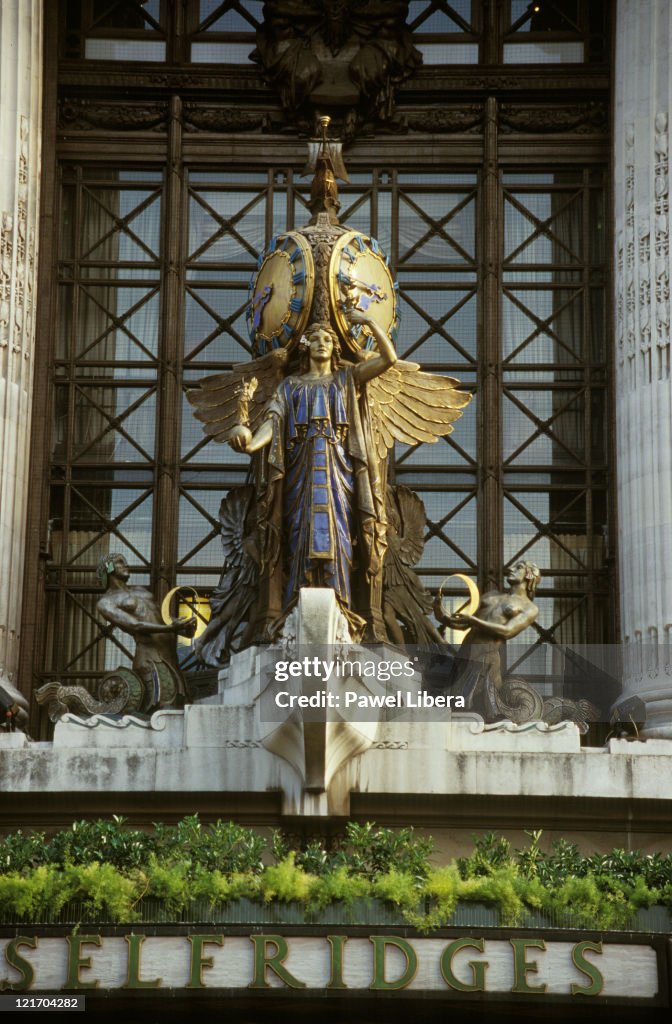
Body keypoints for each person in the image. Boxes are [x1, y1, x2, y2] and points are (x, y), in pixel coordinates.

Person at [229, 310, 397, 619]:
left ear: (334, 348)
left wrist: (371, 323)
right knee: (301, 533)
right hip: (301, 469)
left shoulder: (347, 379)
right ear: (306, 347)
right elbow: (274, 422)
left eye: (328, 340)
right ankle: (298, 608)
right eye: (315, 339)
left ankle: (341, 609)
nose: (322, 343)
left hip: (339, 469)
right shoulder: (290, 386)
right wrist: (249, 440)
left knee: (340, 535)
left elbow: (389, 360)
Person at [436, 561, 541, 719]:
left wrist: (474, 621)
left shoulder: (530, 608)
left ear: (529, 575)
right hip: (465, 653)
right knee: (453, 699)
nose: (511, 569)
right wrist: (439, 611)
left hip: (486, 657)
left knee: (475, 704)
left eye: (518, 567)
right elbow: (461, 624)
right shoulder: (491, 595)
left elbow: (507, 631)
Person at [96, 553, 196, 709]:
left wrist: (183, 628)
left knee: (181, 707)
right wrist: (171, 628)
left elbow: (161, 620)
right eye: (120, 562)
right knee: (164, 710)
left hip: (170, 657)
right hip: (151, 660)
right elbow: (135, 625)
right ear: (109, 568)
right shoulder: (106, 602)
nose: (126, 565)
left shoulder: (140, 590)